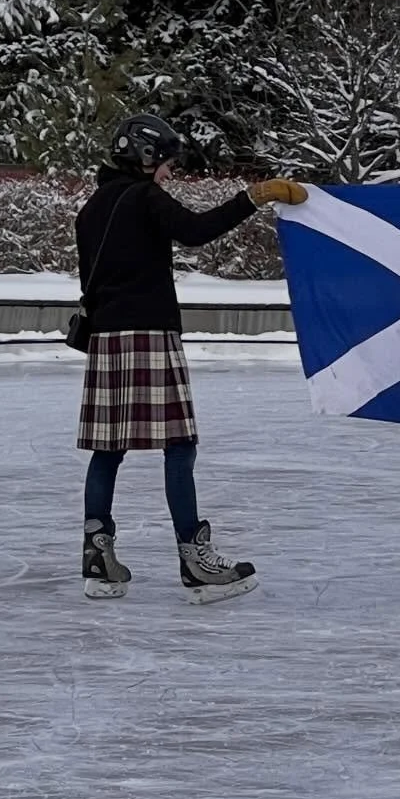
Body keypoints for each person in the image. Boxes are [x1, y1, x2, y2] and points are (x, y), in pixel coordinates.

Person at [77, 113, 307, 602]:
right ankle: (195, 560)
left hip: (106, 338)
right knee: (179, 445)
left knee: (107, 449)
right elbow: (196, 230)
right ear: (145, 157)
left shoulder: (91, 209)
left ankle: (97, 555)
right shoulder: (145, 197)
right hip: (150, 332)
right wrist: (253, 197)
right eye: (166, 162)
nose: (168, 172)